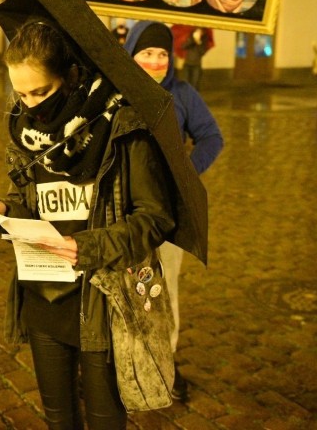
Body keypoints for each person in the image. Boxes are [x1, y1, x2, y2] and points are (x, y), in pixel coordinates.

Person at [0, 21, 176, 429]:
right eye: (21, 93)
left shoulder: (121, 126)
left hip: (100, 303)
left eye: (41, 91)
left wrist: (89, 246)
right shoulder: (25, 132)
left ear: (71, 75)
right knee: (58, 419)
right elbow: (29, 202)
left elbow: (155, 218)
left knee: (104, 420)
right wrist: (1, 215)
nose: (30, 105)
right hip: (44, 301)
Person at [124, 20, 223, 402]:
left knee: (164, 290)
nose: (154, 61)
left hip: (168, 215)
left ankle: (166, 363)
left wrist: (185, 174)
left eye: (162, 54)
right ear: (131, 53)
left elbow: (212, 136)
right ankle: (119, 362)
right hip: (121, 214)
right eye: (146, 53)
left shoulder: (182, 93)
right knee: (120, 288)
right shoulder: (114, 92)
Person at [179, 26, 213, 91]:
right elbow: (183, 46)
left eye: (200, 31)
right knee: (185, 84)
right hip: (187, 64)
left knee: (194, 85)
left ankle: (193, 99)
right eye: (197, 31)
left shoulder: (204, 39)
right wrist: (193, 41)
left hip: (196, 65)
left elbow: (202, 52)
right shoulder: (190, 37)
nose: (198, 33)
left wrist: (199, 42)